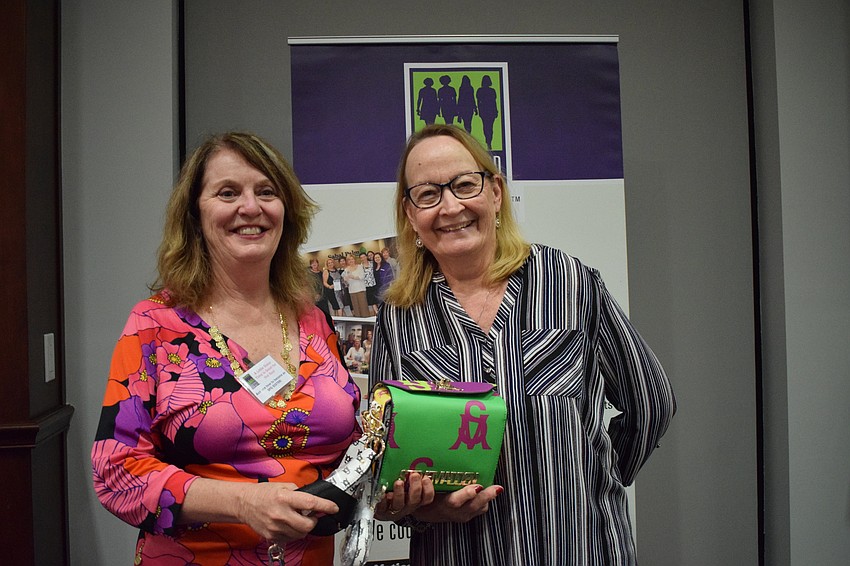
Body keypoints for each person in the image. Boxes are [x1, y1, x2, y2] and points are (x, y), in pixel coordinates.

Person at [369, 124, 676, 565]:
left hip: (578, 550)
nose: (450, 206)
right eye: (428, 194)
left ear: (495, 192)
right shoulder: (399, 317)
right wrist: (424, 509)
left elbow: (650, 402)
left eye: (464, 184)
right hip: (456, 554)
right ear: (411, 214)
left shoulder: (569, 282)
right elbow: (383, 461)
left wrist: (597, 480)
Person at [91, 132, 361, 565]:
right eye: (228, 192)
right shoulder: (154, 325)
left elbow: (351, 448)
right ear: (196, 215)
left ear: (286, 212)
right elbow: (116, 471)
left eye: (267, 192)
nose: (251, 208)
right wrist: (242, 503)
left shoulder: (313, 319)